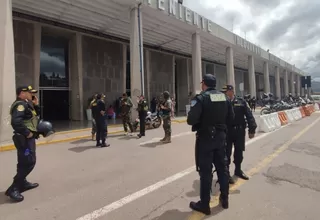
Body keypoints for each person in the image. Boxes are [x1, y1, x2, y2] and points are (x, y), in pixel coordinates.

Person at [187, 75, 234, 215]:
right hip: (221, 138)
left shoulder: (201, 98)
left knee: (205, 172)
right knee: (222, 168)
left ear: (204, 84)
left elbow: (191, 120)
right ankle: (224, 199)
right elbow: (231, 118)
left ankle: (204, 204)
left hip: (206, 139)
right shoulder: (224, 97)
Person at [5, 86, 40, 202]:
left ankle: (22, 183)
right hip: (24, 139)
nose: (32, 94)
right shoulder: (20, 105)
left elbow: (35, 117)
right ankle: (14, 188)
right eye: (29, 92)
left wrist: (35, 104)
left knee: (23, 162)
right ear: (22, 93)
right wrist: (27, 133)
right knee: (29, 161)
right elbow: (16, 121)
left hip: (27, 139)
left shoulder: (27, 104)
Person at [221, 85, 257, 184]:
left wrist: (252, 129)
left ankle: (238, 170)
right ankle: (226, 174)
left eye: (226, 91)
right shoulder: (221, 102)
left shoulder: (241, 102)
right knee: (226, 154)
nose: (224, 93)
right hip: (227, 132)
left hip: (239, 131)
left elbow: (249, 115)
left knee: (239, 153)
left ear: (231, 91)